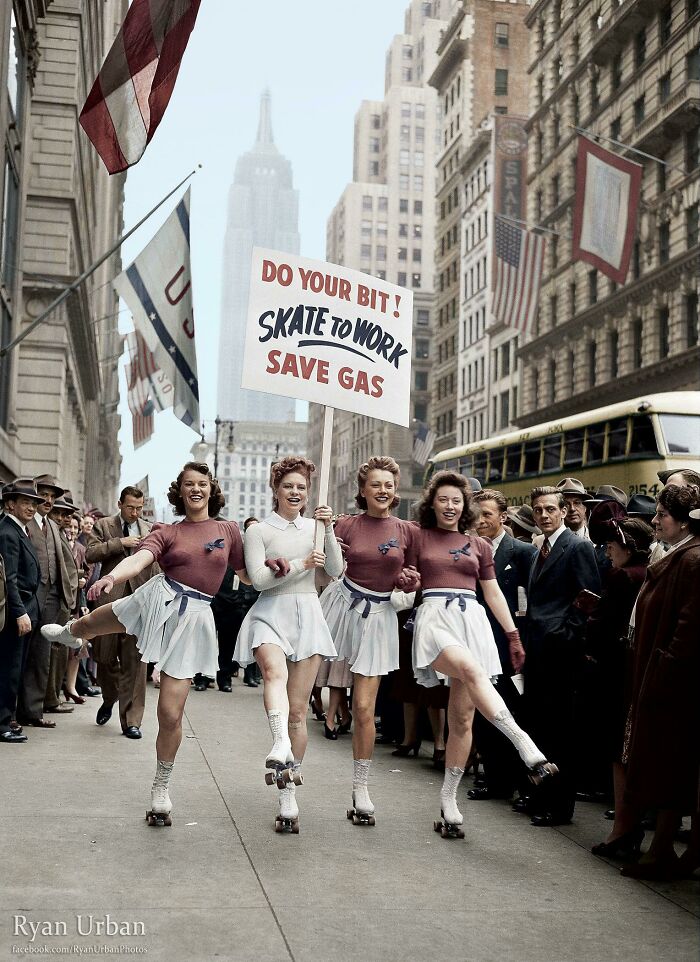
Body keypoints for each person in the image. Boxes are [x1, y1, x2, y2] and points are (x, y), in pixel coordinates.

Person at [42, 462, 248, 826]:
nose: (196, 489)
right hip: (158, 598)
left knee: (170, 713)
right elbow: (140, 559)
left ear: (211, 489)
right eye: (189, 484)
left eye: (202, 483)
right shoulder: (166, 530)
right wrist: (112, 578)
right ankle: (70, 630)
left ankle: (161, 787)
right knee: (99, 619)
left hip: (194, 619)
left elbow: (251, 574)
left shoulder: (229, 530)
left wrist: (283, 565)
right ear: (180, 491)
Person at [406, 472, 558, 839]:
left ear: (465, 505)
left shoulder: (480, 546)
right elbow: (404, 574)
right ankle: (526, 747)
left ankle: (448, 801)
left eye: (456, 500)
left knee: (462, 720)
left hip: (472, 621)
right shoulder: (418, 536)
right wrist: (406, 581)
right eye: (443, 499)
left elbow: (493, 594)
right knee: (471, 670)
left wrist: (513, 636)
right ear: (432, 503)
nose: (450, 505)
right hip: (435, 618)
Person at [233, 456, 342, 833]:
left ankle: (287, 792)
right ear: (275, 490)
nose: (295, 492)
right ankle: (278, 744)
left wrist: (327, 531)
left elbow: (337, 571)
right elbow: (260, 580)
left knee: (298, 713)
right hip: (270, 613)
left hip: (308, 616)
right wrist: (299, 563)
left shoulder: (316, 527)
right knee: (273, 673)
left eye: (301, 487)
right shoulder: (259, 531)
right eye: (288, 486)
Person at [319, 456, 417, 825]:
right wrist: (328, 532)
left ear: (395, 490)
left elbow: (414, 576)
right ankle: (288, 774)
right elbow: (330, 570)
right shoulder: (345, 524)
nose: (383, 490)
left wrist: (407, 587)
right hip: (341, 609)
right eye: (375, 484)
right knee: (301, 692)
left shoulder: (406, 530)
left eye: (389, 484)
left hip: (379, 619)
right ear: (362, 490)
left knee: (363, 708)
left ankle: (361, 788)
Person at [620, 485, 700, 879]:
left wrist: (663, 671)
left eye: (662, 515)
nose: (654, 521)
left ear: (684, 520)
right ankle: (662, 849)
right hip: (660, 676)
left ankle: (662, 849)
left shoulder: (693, 559)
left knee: (669, 767)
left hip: (674, 687)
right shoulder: (680, 555)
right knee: (662, 765)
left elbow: (688, 629)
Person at [521, 486, 601, 827]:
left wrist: (566, 633)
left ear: (564, 510)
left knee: (560, 731)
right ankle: (540, 795)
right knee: (539, 725)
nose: (544, 515)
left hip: (561, 652)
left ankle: (559, 805)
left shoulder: (577, 546)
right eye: (538, 510)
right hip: (538, 650)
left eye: (550, 509)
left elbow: (589, 595)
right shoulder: (541, 547)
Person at [585, 513, 652, 861]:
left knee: (618, 753)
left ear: (627, 546)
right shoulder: (650, 572)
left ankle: (622, 830)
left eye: (612, 544)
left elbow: (599, 626)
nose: (607, 549)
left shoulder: (623, 577)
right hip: (636, 669)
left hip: (616, 672)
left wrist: (590, 617)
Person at [470, 488, 537, 802]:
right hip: (477, 643)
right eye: (477, 515)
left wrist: (519, 640)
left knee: (514, 712)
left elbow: (528, 600)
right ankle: (494, 780)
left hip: (509, 646)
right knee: (483, 712)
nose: (481, 521)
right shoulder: (467, 548)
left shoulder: (521, 552)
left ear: (503, 517)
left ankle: (520, 783)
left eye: (487, 514)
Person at [85, 485, 158, 739]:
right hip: (109, 602)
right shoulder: (104, 525)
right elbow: (90, 553)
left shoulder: (150, 530)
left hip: (140, 604)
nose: (135, 513)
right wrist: (119, 543)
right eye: (130, 507)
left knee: (135, 663)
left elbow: (157, 566)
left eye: (139, 508)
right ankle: (110, 697)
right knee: (104, 658)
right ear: (120, 504)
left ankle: (131, 721)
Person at [16, 474, 75, 729]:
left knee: (42, 656)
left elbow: (62, 562)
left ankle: (33, 711)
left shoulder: (51, 525)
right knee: (20, 656)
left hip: (51, 598)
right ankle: (15, 712)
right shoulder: (24, 524)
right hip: (27, 598)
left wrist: (66, 595)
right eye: (44, 494)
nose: (48, 500)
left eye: (52, 496)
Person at [0, 481, 44, 743]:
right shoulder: (7, 532)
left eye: (33, 503)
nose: (31, 507)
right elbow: (9, 579)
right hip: (16, 611)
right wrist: (19, 613)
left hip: (26, 607)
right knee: (8, 668)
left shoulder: (19, 530)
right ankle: (2, 722)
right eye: (25, 502)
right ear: (10, 504)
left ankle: (7, 718)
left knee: (15, 668)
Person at [209, 517, 261, 692]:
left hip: (249, 602)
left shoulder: (261, 549)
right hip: (224, 600)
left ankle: (245, 675)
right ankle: (213, 678)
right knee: (220, 641)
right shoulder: (233, 547)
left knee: (247, 642)